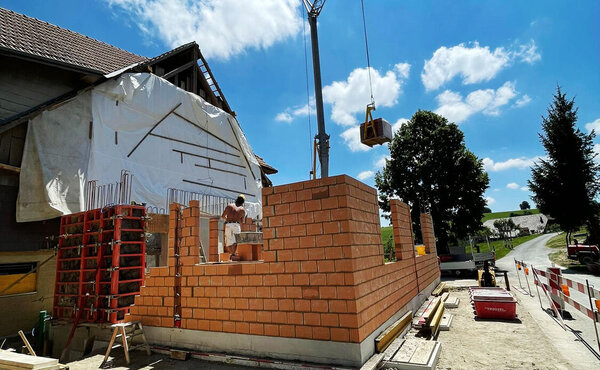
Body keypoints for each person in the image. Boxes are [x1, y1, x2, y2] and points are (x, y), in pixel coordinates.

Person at [221, 195, 246, 261]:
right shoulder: (242, 209)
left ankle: (232, 254)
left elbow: (223, 216)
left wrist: (227, 219)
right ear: (242, 202)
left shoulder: (229, 206)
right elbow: (241, 221)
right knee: (236, 241)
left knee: (228, 242)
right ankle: (233, 254)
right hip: (236, 225)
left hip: (228, 224)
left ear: (236, 199)